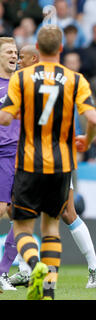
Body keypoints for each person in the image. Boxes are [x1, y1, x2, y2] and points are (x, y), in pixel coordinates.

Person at [0, 24, 96, 300]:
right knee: (52, 228)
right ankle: (48, 290)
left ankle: (33, 265)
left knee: (20, 225)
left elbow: (6, 118)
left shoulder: (22, 79)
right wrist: (87, 141)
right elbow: (92, 120)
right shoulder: (75, 79)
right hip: (62, 162)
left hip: (29, 160)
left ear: (36, 50)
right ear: (60, 49)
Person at [0, 37, 20, 292]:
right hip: (2, 154)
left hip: (20, 154)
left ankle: (3, 271)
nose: (13, 55)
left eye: (15, 52)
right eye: (8, 51)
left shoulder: (21, 85)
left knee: (24, 213)